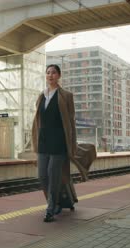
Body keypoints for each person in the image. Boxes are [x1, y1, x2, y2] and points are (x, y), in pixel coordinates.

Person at [31, 64, 78, 222]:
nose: (50, 75)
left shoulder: (66, 95)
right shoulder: (41, 96)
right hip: (43, 142)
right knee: (42, 176)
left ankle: (51, 209)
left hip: (59, 142)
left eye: (53, 73)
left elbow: (71, 122)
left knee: (53, 175)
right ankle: (56, 202)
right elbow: (38, 121)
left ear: (59, 76)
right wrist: (35, 143)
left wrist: (72, 144)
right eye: (48, 73)